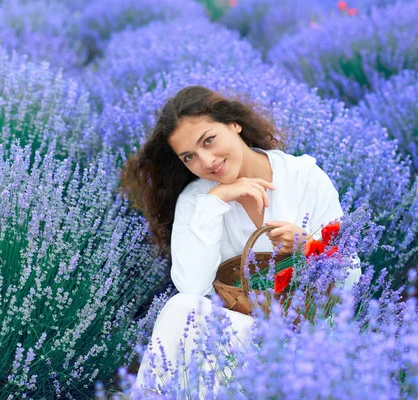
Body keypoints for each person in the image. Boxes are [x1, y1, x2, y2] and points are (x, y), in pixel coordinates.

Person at [121, 86, 362, 394]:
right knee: (182, 307)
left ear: (234, 123)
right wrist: (215, 201)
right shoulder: (197, 200)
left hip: (306, 338)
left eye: (209, 140)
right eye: (189, 157)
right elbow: (193, 289)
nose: (207, 161)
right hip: (236, 334)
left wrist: (308, 247)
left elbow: (351, 274)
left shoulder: (303, 177)